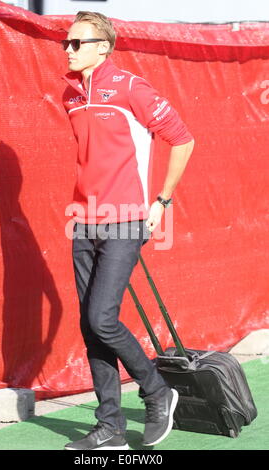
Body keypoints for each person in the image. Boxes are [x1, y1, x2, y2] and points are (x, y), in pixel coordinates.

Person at [61, 11, 194, 450]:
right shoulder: (71, 94)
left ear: (103, 46)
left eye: (77, 43)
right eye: (67, 42)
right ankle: (110, 427)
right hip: (83, 220)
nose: (68, 50)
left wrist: (162, 201)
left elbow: (182, 138)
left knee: (102, 317)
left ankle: (157, 391)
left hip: (126, 217)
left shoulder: (132, 87)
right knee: (89, 324)